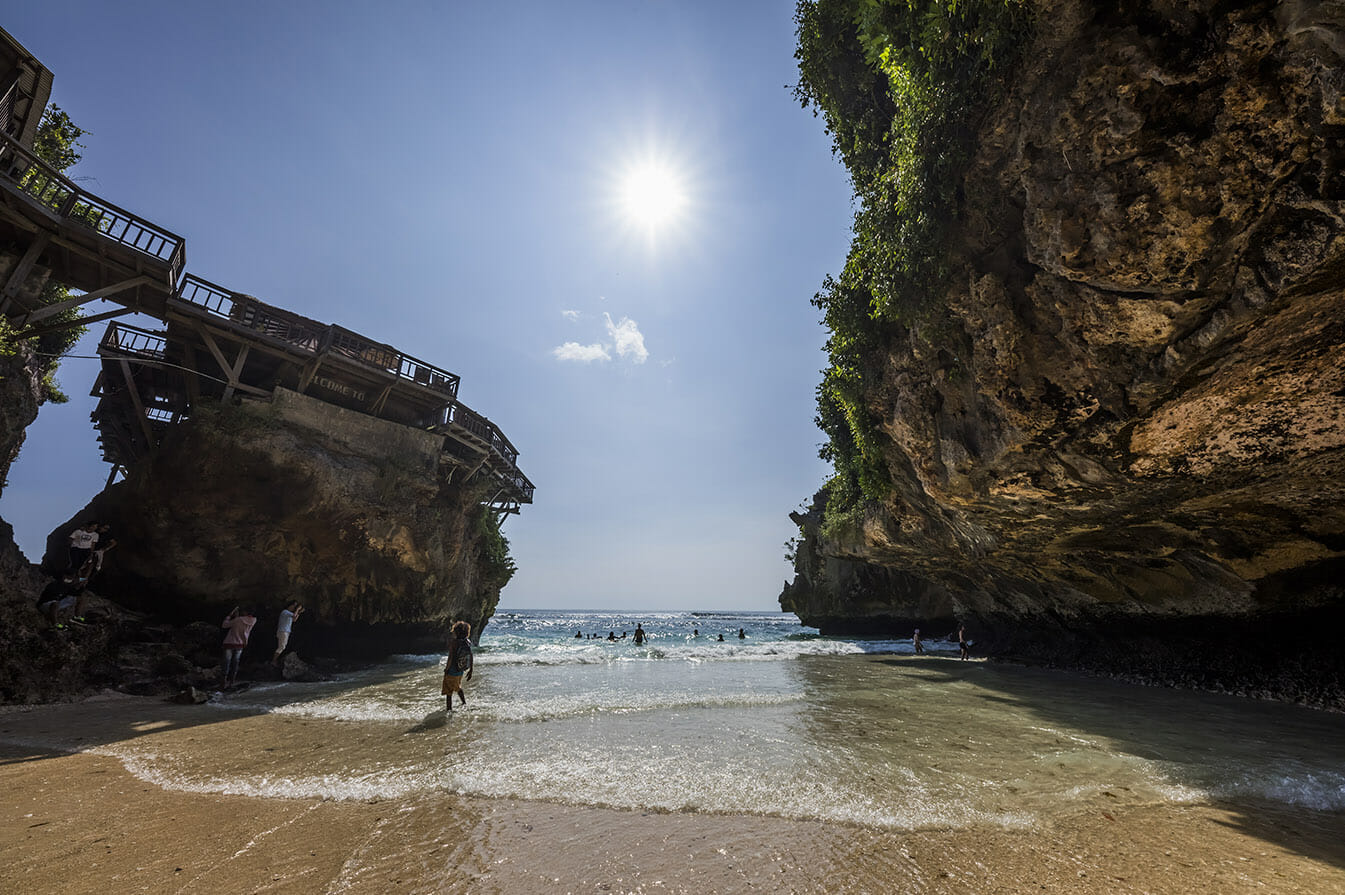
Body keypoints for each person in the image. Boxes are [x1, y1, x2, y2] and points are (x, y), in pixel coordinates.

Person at [221, 606, 257, 687]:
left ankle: (223, 682)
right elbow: (241, 623)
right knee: (235, 662)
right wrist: (237, 617)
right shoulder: (254, 620)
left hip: (229, 643)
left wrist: (230, 615)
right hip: (240, 644)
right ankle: (232, 681)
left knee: (226, 662)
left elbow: (224, 625)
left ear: (246, 612)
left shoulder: (238, 619)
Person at [442, 621, 474, 712]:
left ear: (457, 632)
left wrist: (446, 669)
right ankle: (464, 703)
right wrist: (471, 670)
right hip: (460, 670)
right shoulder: (467, 642)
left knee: (449, 692)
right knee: (457, 687)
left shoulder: (454, 643)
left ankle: (449, 710)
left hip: (452, 670)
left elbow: (450, 658)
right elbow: (471, 656)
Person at [272, 600, 304, 664]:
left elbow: (294, 620)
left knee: (282, 647)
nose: (294, 607)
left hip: (284, 631)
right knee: (281, 647)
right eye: (293, 605)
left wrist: (299, 612)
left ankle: (275, 660)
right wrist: (297, 609)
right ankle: (274, 661)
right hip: (283, 631)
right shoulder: (285, 611)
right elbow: (294, 616)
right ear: (290, 605)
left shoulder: (289, 614)